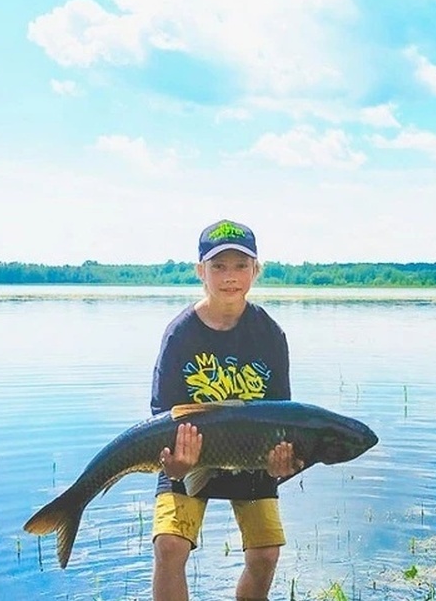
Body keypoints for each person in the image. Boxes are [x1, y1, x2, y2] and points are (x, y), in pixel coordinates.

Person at [150, 219, 303, 601]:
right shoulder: (180, 334)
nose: (229, 277)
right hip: (188, 455)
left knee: (266, 553)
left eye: (240, 265)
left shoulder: (270, 334)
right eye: (218, 266)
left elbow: (280, 415)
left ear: (256, 270)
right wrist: (175, 462)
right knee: (170, 546)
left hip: (249, 454)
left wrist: (279, 462)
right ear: (200, 271)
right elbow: (161, 415)